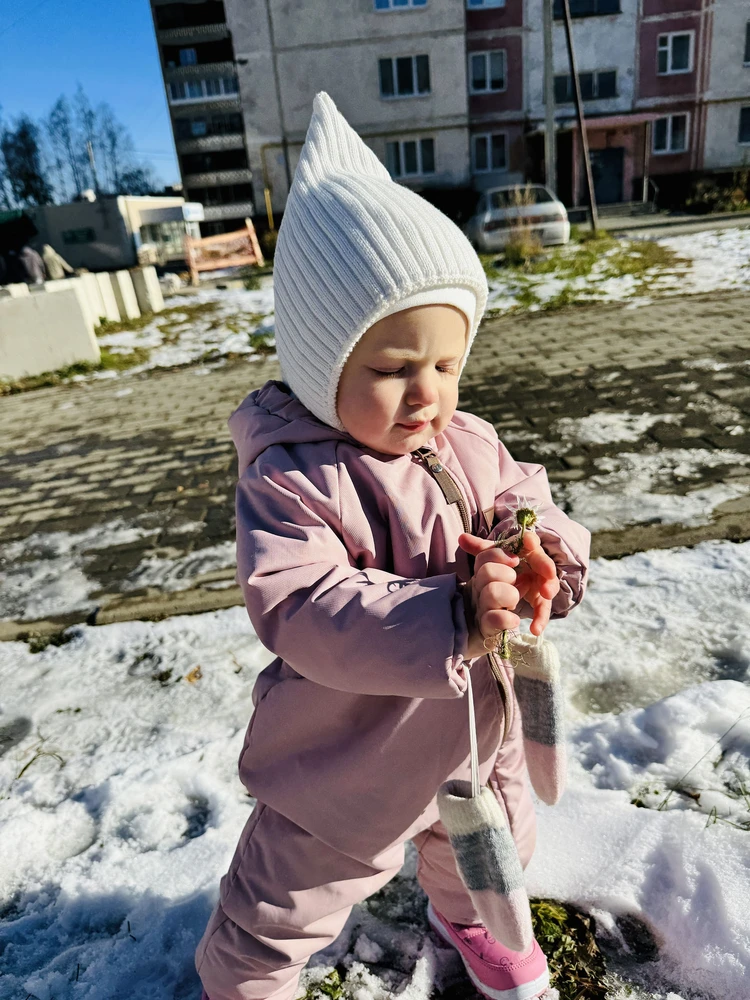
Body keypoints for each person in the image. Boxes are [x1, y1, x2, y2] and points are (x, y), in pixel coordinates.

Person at [196, 93, 590, 1000]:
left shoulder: (467, 442)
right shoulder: (292, 479)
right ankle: (243, 981)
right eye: (391, 369)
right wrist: (451, 613)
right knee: (284, 901)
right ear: (320, 365)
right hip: (348, 759)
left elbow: (526, 501)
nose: (427, 396)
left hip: (473, 737)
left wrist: (538, 554)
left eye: (447, 365)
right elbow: (299, 605)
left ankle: (472, 924)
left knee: (484, 846)